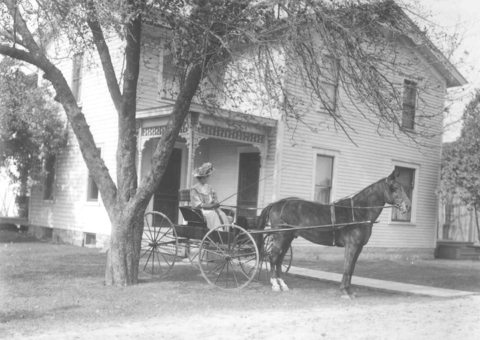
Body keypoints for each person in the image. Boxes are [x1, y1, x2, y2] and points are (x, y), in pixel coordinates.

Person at [190, 163, 230, 230]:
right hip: (201, 211)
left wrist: (215, 203)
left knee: (222, 214)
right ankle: (217, 233)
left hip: (211, 209)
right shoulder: (194, 189)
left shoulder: (208, 187)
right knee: (213, 215)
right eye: (205, 177)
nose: (207, 178)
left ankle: (226, 233)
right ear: (201, 178)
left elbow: (211, 200)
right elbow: (198, 204)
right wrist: (210, 206)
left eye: (207, 176)